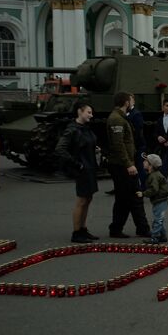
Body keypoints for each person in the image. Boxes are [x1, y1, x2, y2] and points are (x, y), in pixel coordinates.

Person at [55, 100, 100, 243]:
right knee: (81, 200)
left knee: (88, 198)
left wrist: (95, 149)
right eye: (89, 112)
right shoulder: (72, 129)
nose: (91, 115)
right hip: (83, 168)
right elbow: (60, 149)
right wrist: (77, 164)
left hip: (90, 167)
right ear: (80, 111)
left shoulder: (85, 128)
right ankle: (76, 232)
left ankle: (83, 229)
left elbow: (87, 143)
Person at [105, 92, 149, 238]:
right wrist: (129, 164)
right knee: (130, 196)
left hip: (124, 163)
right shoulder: (117, 119)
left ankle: (128, 228)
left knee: (128, 197)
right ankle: (132, 228)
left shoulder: (120, 117)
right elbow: (119, 145)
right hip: (122, 165)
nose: (132, 102)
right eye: (130, 100)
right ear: (125, 102)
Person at [140, 154, 168, 244]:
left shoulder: (154, 176)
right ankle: (163, 236)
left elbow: (154, 189)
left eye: (146, 161)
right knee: (159, 218)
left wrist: (143, 194)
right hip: (160, 200)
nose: (143, 162)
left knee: (157, 220)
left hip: (160, 200)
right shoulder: (154, 174)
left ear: (151, 165)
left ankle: (155, 237)